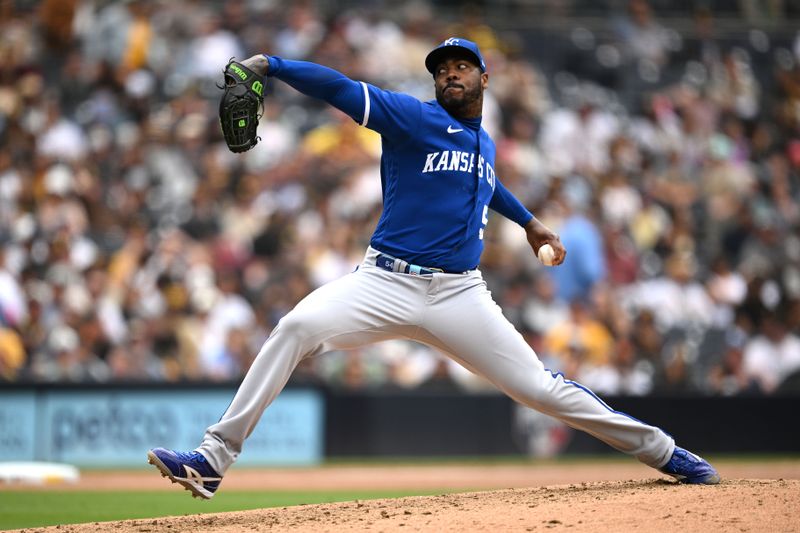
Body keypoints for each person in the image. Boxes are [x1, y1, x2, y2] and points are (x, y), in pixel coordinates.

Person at [147, 38, 720, 499]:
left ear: (483, 79)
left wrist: (528, 222)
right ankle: (214, 459)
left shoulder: (483, 143)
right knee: (295, 328)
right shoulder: (411, 119)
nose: (450, 73)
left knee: (541, 391)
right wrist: (271, 64)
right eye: (442, 67)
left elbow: (484, 181)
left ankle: (664, 452)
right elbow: (342, 88)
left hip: (460, 297)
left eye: (462, 66)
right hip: (383, 282)